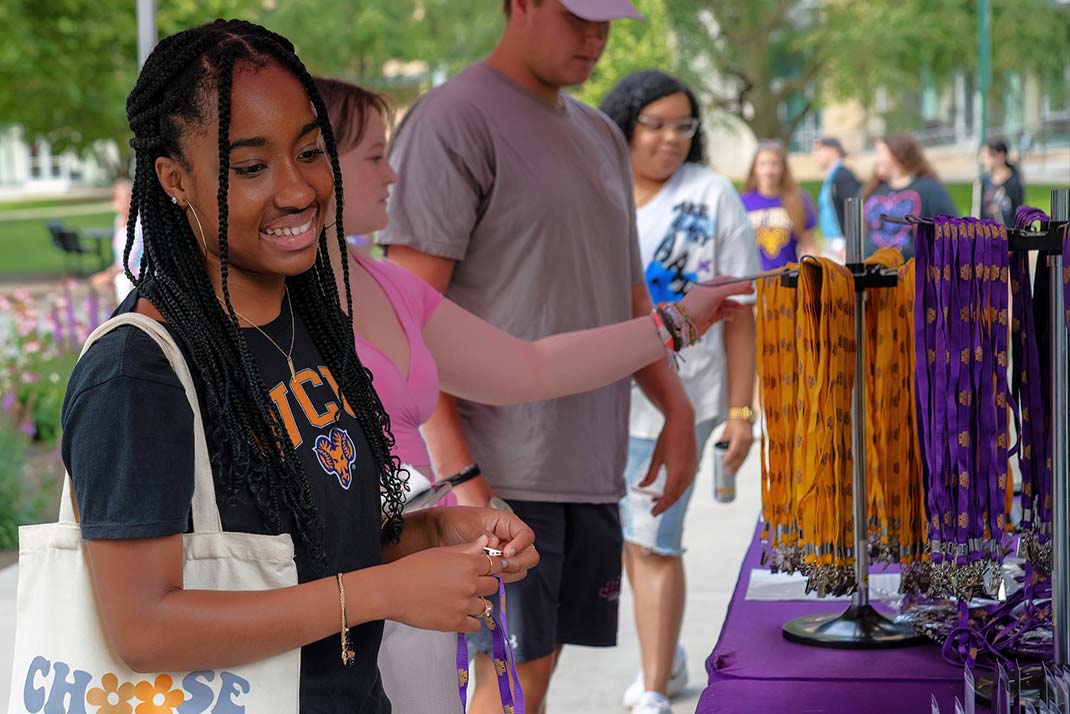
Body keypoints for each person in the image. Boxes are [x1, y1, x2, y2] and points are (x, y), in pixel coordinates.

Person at [60, 20, 541, 713]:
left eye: (310, 152)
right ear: (173, 180)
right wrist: (378, 595)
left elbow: (306, 548)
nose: (296, 189)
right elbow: (142, 627)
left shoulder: (308, 325)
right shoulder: (139, 371)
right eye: (251, 167)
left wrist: (437, 534)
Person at [313, 75, 750, 713]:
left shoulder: (390, 287)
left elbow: (530, 367)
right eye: (377, 158)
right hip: (342, 595)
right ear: (313, 166)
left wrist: (677, 322)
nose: (394, 177)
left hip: (410, 571)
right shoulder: (260, 304)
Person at [378, 1, 711, 711]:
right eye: (577, 15)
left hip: (587, 461)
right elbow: (402, 326)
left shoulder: (595, 133)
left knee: (537, 671)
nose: (595, 35)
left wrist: (674, 407)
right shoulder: (454, 120)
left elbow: (626, 296)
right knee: (501, 673)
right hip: (498, 467)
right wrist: (462, 479)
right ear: (521, 6)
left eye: (607, 19)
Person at [598, 70, 760, 714]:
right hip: (602, 396)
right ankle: (662, 653)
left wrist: (743, 412)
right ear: (624, 126)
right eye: (655, 124)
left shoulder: (713, 195)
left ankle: (656, 689)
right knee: (630, 538)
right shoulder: (598, 191)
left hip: (684, 399)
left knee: (653, 539)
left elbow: (743, 311)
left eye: (684, 126)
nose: (670, 139)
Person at [861, 133, 957, 258]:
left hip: (909, 273)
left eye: (880, 153)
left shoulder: (927, 188)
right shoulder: (875, 188)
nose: (876, 160)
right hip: (872, 269)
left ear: (897, 154)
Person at [741, 140, 817, 270]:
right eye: (763, 164)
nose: (769, 171)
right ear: (755, 168)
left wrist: (813, 273)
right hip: (753, 281)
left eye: (774, 164)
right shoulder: (741, 202)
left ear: (783, 168)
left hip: (788, 280)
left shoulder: (799, 199)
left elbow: (809, 245)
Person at [89, 178, 143, 304]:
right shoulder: (118, 221)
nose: (127, 202)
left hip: (140, 275)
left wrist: (107, 275)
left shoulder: (139, 224)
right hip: (123, 272)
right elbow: (119, 259)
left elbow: (129, 261)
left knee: (121, 281)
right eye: (121, 199)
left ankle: (126, 318)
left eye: (129, 198)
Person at [811, 136, 861, 261]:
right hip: (831, 244)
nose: (814, 156)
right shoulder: (831, 177)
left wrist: (850, 246)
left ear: (833, 150)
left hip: (842, 245)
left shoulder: (843, 177)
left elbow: (854, 212)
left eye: (818, 150)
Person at [980, 139, 1024, 227]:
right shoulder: (983, 181)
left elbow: (1019, 213)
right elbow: (979, 212)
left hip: (1008, 236)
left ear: (1000, 156)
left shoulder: (1013, 182)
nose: (982, 160)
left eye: (986, 156)